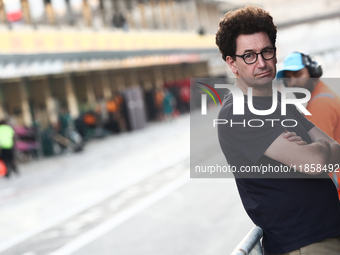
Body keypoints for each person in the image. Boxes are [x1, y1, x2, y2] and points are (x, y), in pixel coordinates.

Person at [215, 6, 340, 255]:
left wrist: (315, 149)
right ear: (232, 63)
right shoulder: (238, 113)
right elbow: (315, 163)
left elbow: (336, 149)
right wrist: (316, 149)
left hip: (327, 233)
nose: (261, 63)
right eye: (249, 55)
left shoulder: (280, 103)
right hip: (305, 244)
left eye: (267, 52)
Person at [277, 52, 340, 198]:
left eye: (298, 74)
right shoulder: (323, 95)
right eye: (288, 78)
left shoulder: (320, 105)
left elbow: (319, 158)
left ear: (313, 73)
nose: (293, 83)